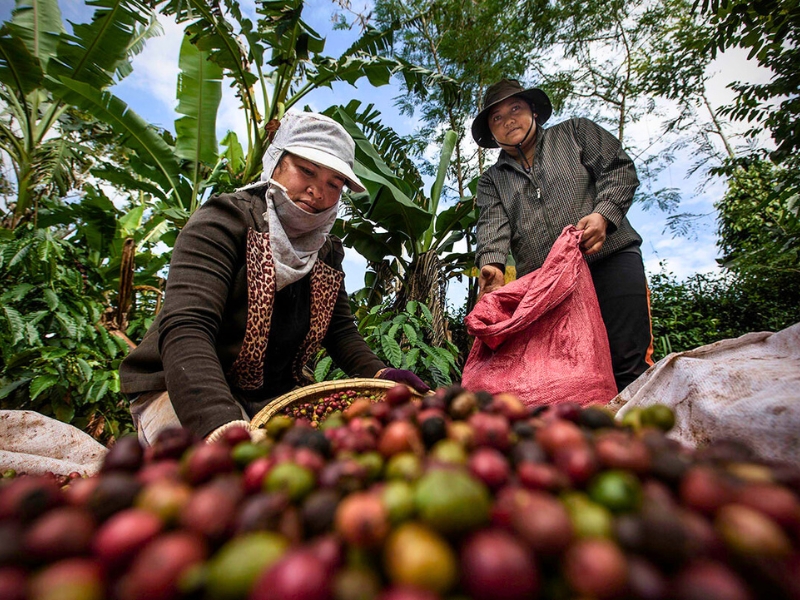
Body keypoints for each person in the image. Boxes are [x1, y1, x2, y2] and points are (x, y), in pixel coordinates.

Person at [120, 110, 429, 444]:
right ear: (276, 163)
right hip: (182, 388)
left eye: (334, 184)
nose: (317, 191)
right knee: (217, 479)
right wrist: (220, 424)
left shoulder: (326, 252)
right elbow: (187, 327)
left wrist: (381, 375)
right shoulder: (223, 222)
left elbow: (340, 333)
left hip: (272, 397)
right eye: (306, 171)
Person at [471, 78, 653, 392]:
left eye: (515, 108)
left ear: (534, 113)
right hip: (550, 286)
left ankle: (640, 438)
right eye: (496, 118)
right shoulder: (492, 180)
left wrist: (603, 214)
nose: (508, 120)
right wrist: (493, 267)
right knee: (565, 374)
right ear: (491, 131)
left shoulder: (576, 133)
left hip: (611, 258)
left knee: (628, 363)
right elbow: (491, 227)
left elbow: (619, 169)